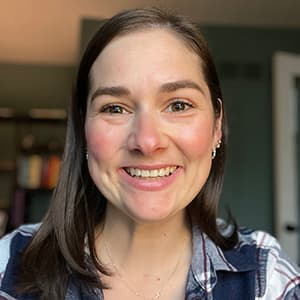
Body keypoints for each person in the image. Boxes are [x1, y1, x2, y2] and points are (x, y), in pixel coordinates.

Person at [0, 8, 299, 300]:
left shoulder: (267, 278)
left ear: (216, 126)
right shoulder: (8, 266)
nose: (147, 141)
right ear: (83, 129)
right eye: (115, 108)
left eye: (179, 105)